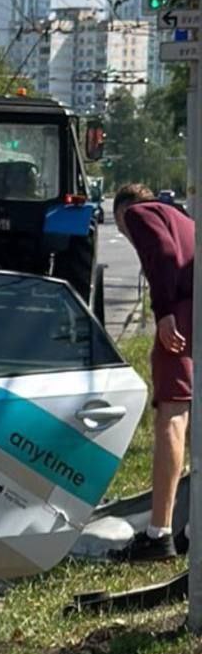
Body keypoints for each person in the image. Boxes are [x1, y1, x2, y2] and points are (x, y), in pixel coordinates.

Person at [113, 182, 195, 561]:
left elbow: (162, 254)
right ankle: (193, 528)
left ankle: (159, 533)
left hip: (182, 315)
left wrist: (162, 312)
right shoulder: (181, 217)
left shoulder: (139, 214)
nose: (129, 238)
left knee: (171, 416)